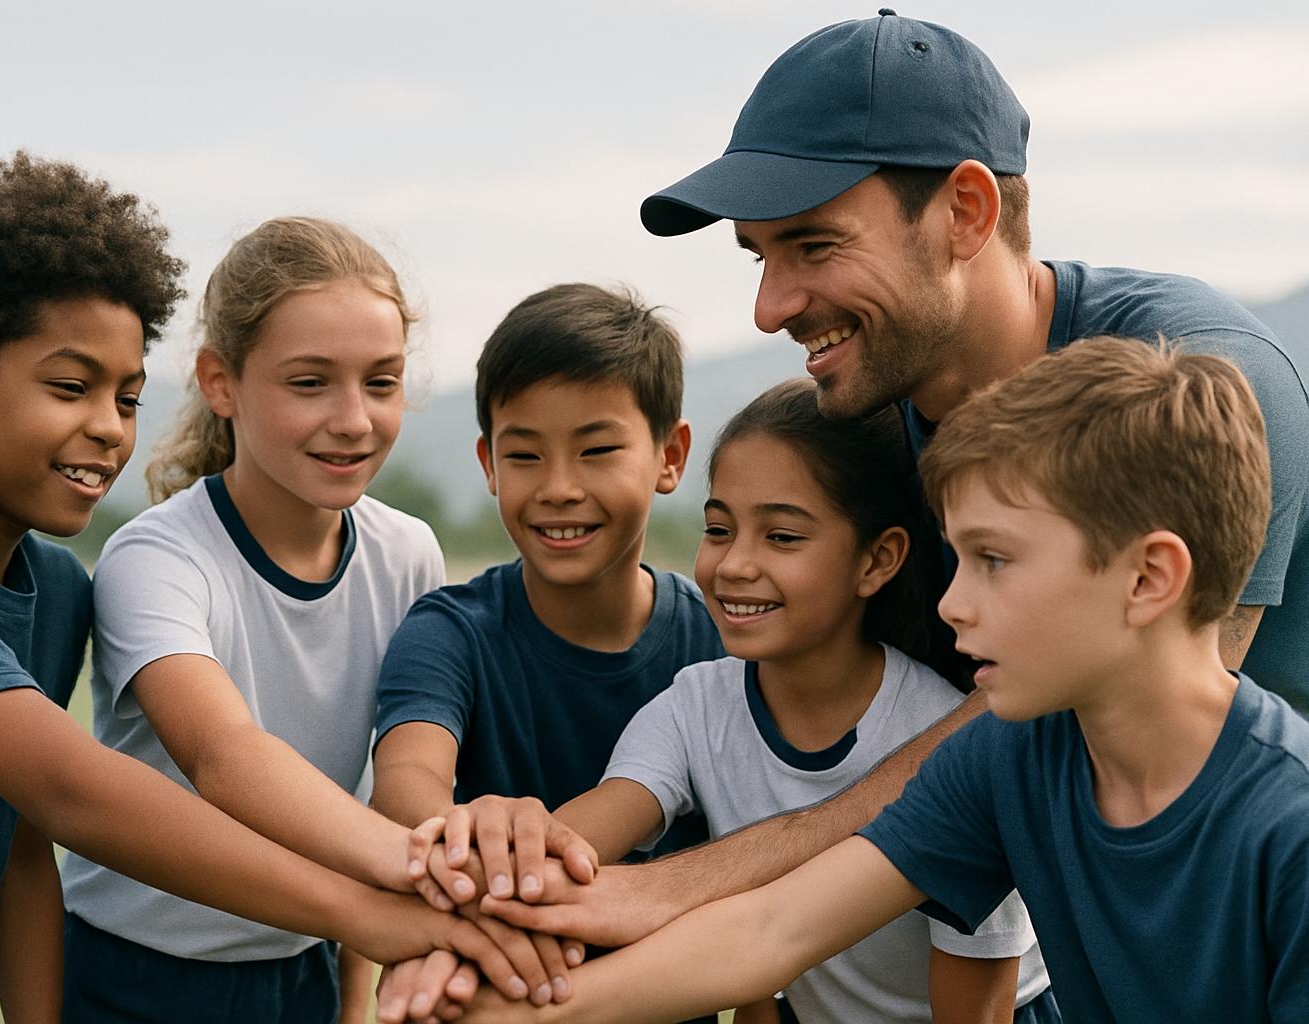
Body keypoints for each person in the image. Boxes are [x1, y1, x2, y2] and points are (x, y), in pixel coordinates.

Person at [390, 9, 1309, 964]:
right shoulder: (873, 420)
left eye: (815, 247)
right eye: (761, 257)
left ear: (965, 212)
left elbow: (1036, 739)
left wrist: (666, 888)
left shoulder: (1203, 386)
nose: (769, 308)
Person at [0, 155, 545, 1024]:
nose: (109, 428)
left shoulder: (54, 588)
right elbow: (72, 791)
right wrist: (382, 902)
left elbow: (23, 850)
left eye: (128, 398)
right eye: (71, 388)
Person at [472, 337, 1309, 1024]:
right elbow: (771, 929)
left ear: (1149, 579)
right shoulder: (1008, 753)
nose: (951, 604)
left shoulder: (1288, 828)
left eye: (994, 560)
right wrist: (500, 1012)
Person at [56, 216, 562, 1024]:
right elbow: (224, 756)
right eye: (310, 382)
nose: (354, 418)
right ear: (220, 383)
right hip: (133, 978)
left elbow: (372, 797)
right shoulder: (155, 558)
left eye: (382, 382)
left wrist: (353, 998)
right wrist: (429, 872)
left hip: (309, 969)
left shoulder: (407, 554)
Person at [553, 378, 1055, 1024]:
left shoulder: (942, 738)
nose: (734, 565)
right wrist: (502, 851)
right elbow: (573, 844)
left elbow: (978, 1011)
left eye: (782, 537)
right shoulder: (694, 709)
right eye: (718, 529)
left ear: (877, 560)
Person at [369, 284, 725, 1021]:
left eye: (597, 451)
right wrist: (479, 829)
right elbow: (406, 784)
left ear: (670, 456)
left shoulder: (721, 645)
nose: (559, 489)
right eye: (524, 455)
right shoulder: (450, 631)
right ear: (489, 463)